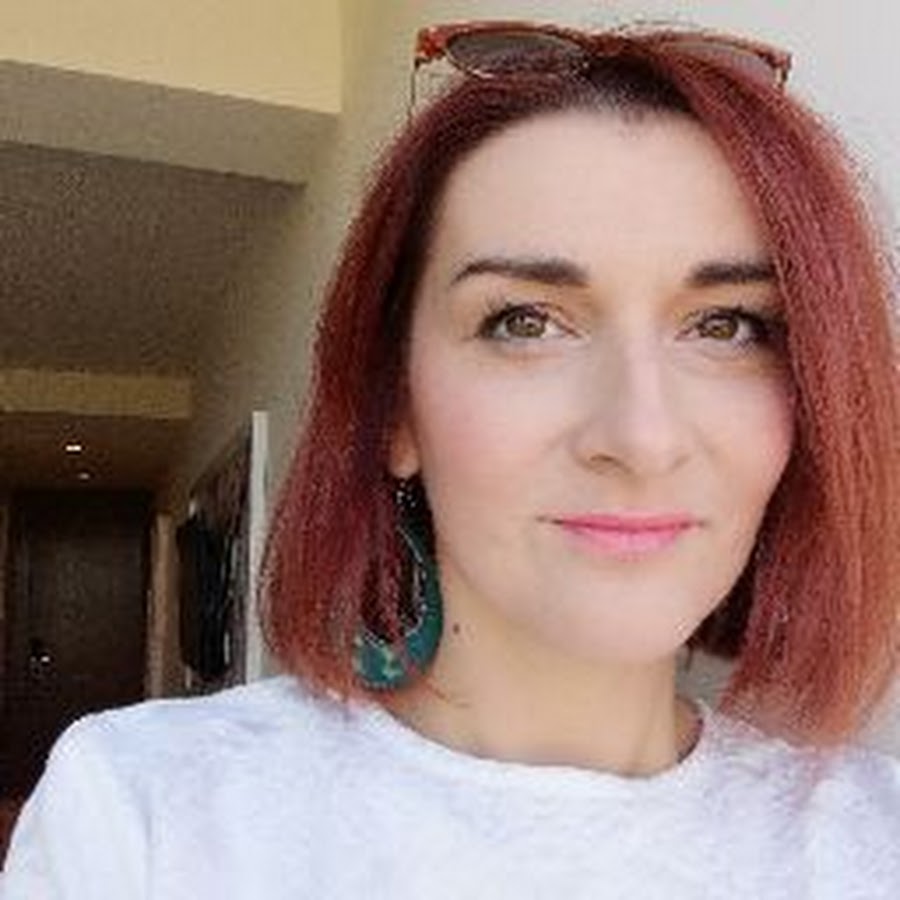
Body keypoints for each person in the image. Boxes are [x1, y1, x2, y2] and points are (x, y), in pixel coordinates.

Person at [3, 20, 899, 900]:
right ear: (395, 407)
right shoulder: (145, 813)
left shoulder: (874, 836)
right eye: (525, 322)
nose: (641, 437)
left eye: (728, 326)